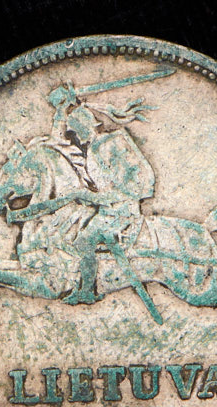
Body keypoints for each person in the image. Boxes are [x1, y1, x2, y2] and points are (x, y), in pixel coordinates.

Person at [44, 83, 156, 304]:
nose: (74, 135)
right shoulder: (89, 150)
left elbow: (134, 181)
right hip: (104, 208)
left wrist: (96, 198)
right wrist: (61, 110)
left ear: (86, 126)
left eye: (75, 130)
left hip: (121, 210)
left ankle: (87, 292)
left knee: (83, 242)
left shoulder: (110, 143)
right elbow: (56, 141)